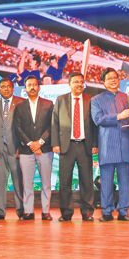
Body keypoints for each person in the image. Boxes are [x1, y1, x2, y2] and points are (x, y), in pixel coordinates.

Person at [91, 68, 129, 222]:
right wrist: (119, 116)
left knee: (125, 182)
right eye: (109, 78)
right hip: (107, 146)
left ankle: (124, 211)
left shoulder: (128, 98)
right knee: (106, 182)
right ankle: (107, 211)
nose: (113, 80)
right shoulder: (96, 99)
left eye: (115, 77)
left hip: (125, 145)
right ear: (103, 82)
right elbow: (98, 119)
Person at [51, 73, 97, 221]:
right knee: (65, 181)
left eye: (81, 82)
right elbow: (55, 123)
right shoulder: (61, 100)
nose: (78, 84)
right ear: (69, 84)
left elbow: (95, 125)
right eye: (75, 82)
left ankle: (87, 212)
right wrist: (55, 143)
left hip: (85, 145)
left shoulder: (90, 100)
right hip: (66, 146)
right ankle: (66, 213)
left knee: (87, 181)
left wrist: (95, 144)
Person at [13, 76, 55, 221]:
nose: (32, 87)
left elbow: (52, 125)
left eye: (34, 85)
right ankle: (28, 212)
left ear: (39, 87)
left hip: (45, 149)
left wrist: (41, 142)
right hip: (26, 150)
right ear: (25, 89)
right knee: (27, 183)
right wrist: (31, 143)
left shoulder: (49, 104)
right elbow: (17, 128)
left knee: (46, 183)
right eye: (29, 85)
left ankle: (46, 211)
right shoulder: (19, 106)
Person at [0, 78, 25, 220]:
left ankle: (22, 210)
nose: (6, 89)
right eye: (3, 87)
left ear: (12, 88)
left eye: (8, 86)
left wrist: (23, 148)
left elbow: (25, 128)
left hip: (16, 150)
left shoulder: (21, 103)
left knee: (19, 181)